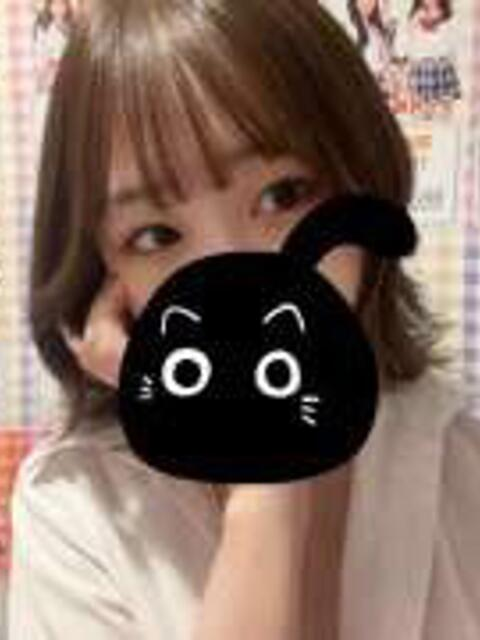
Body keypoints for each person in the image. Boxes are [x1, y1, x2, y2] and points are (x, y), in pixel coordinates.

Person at [7, 0, 480, 638]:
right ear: (104, 280)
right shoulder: (76, 510)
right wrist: (265, 477)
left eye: (283, 195)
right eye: (156, 235)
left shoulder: (458, 460)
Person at [394, 0, 462, 117]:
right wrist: (411, 26)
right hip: (421, 73)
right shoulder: (412, 24)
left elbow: (451, 51)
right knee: (424, 113)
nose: (430, 10)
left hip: (442, 72)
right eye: (426, 6)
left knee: (445, 111)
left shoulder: (447, 24)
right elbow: (401, 51)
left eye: (435, 6)